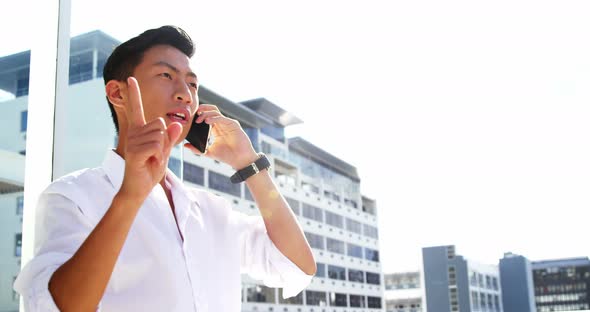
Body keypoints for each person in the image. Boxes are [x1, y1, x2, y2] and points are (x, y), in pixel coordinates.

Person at [14, 25, 316, 312]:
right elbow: (53, 307)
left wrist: (248, 163)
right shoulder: (73, 197)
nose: (186, 93)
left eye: (193, 83)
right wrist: (129, 198)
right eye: (166, 75)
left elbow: (297, 268)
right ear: (118, 94)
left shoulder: (211, 210)